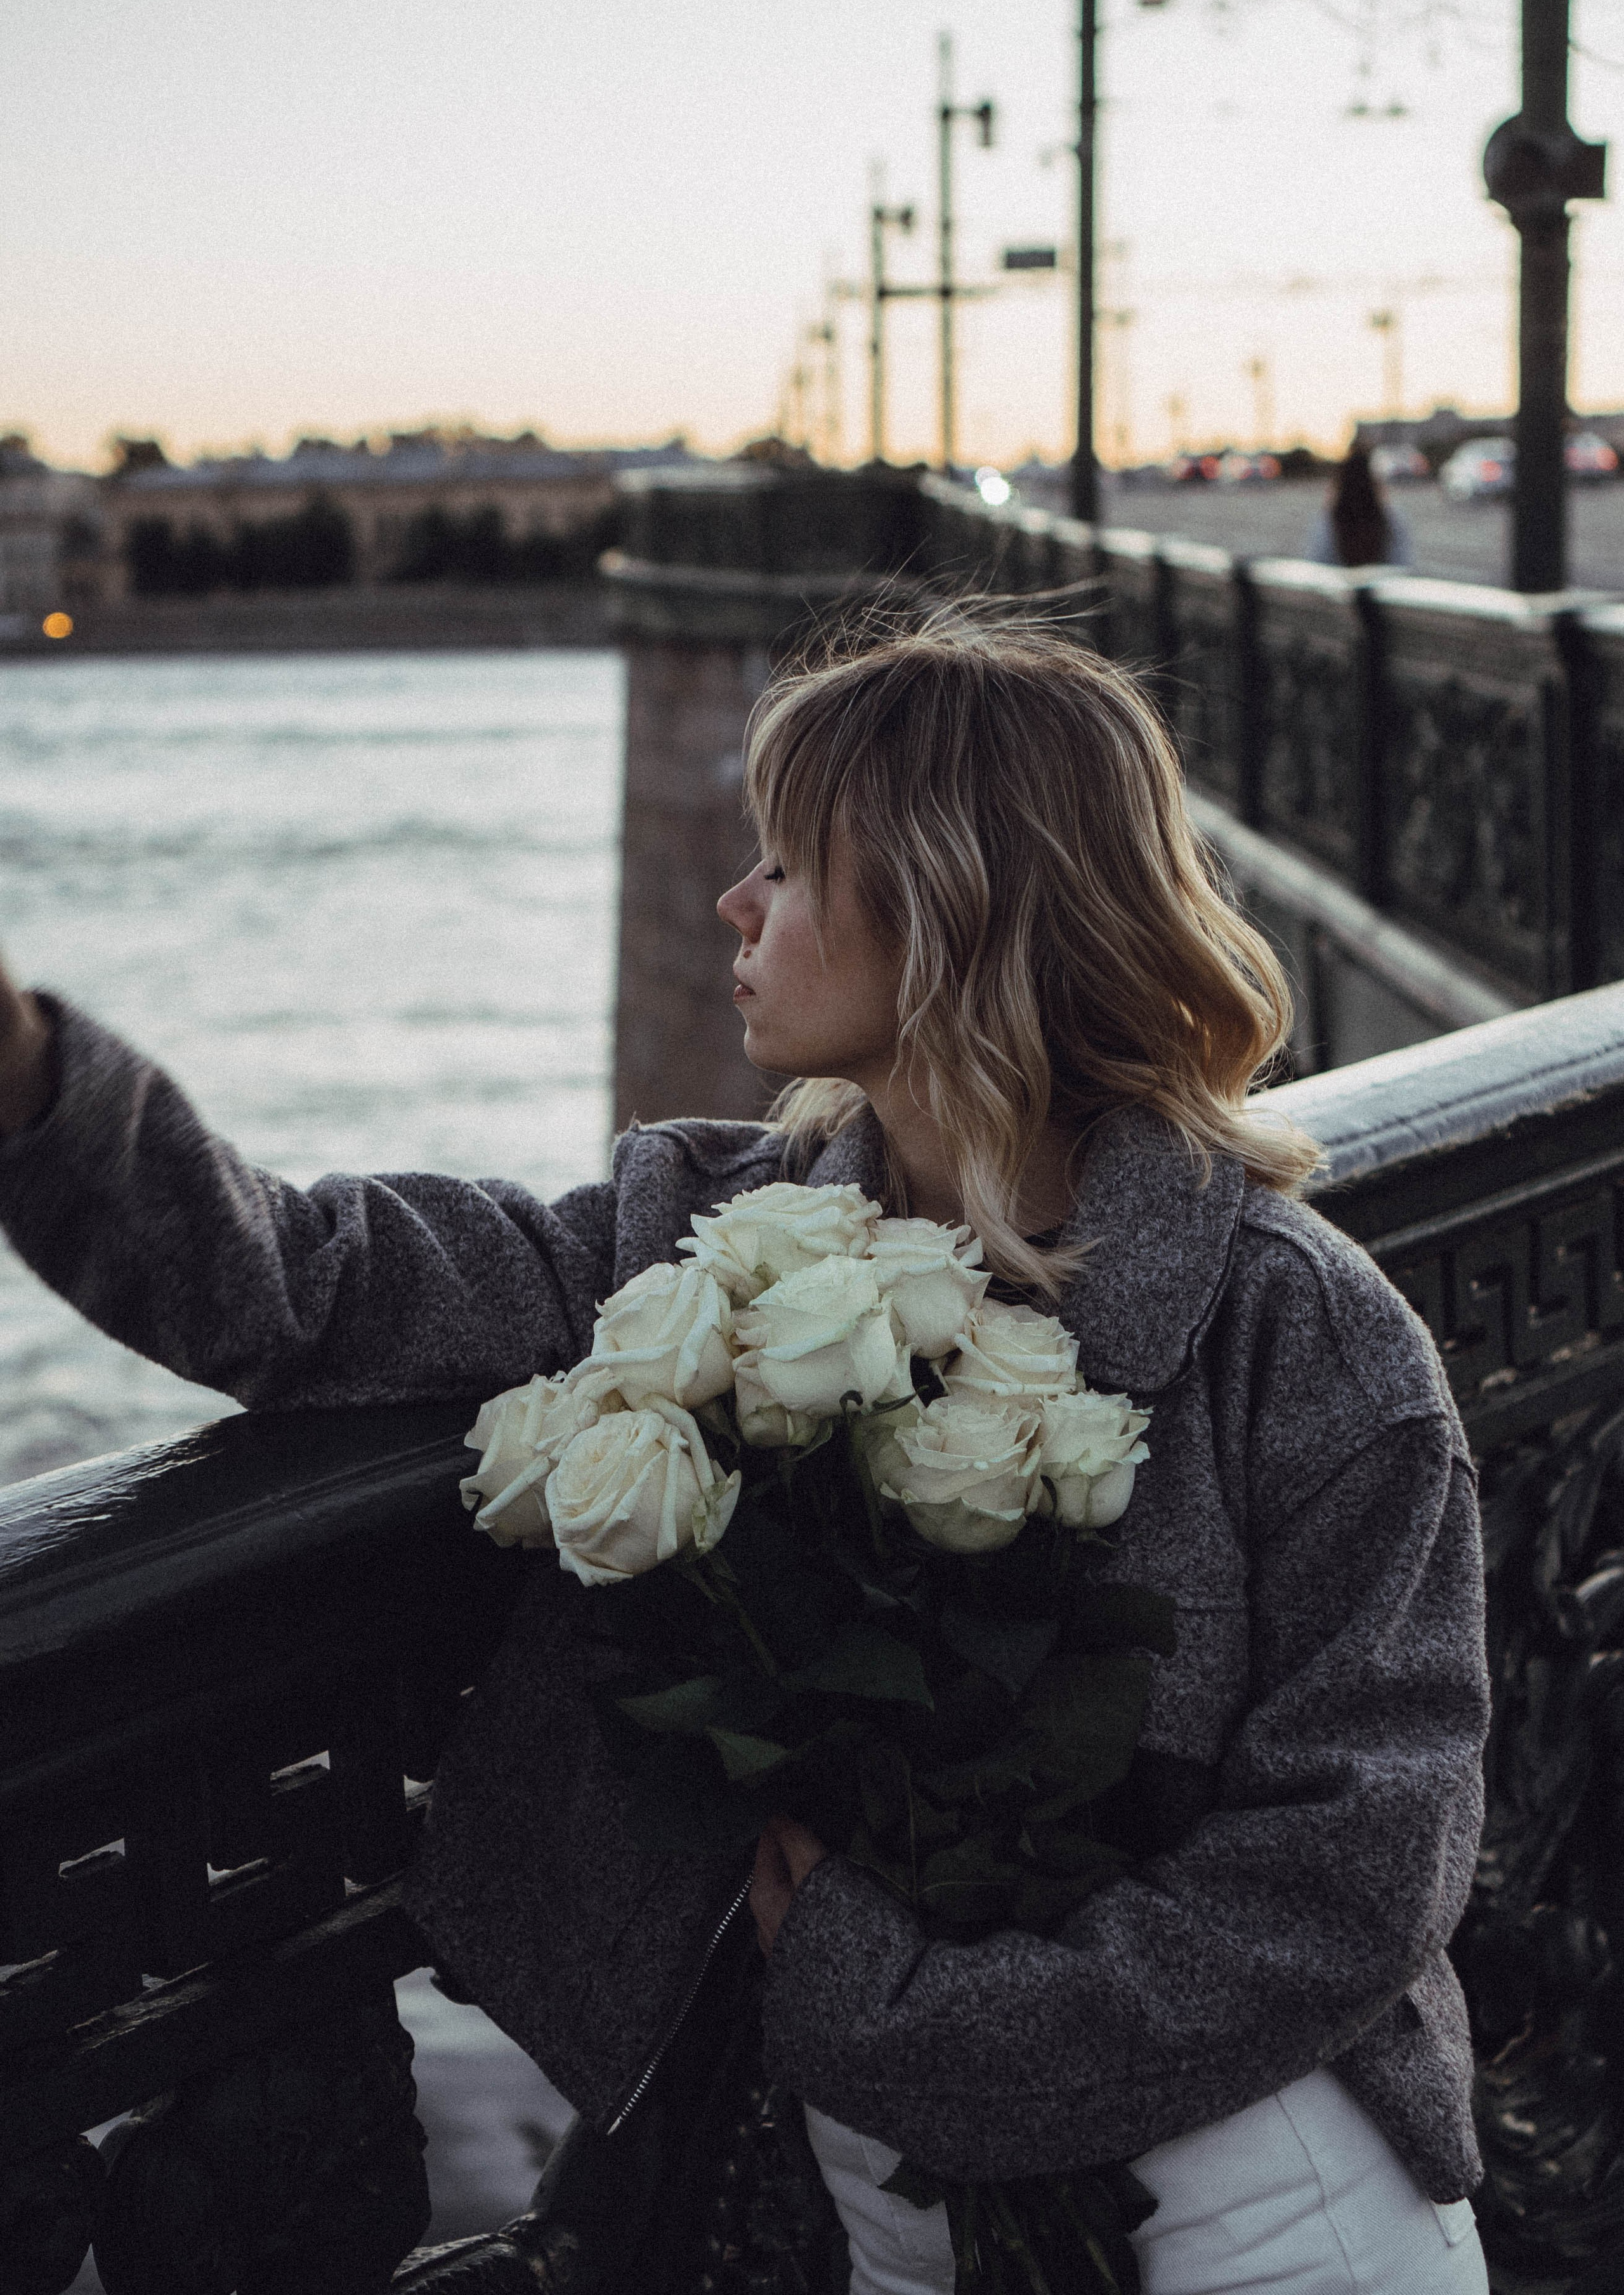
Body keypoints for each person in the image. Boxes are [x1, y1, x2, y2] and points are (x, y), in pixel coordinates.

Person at [0, 623, 1490, 2294]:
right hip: (889, 2217)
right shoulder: (694, 1236)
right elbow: (306, 1289)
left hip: (1260, 2207)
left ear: (948, 901)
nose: (734, 902)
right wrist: (32, 1082)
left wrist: (920, 2023)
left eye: (788, 862)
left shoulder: (1297, 1330)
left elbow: (1358, 1871)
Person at [1307, 442, 1415, 570]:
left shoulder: (1330, 518)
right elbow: (1402, 566)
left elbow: (1317, 564)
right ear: (1374, 482)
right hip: (1380, 584)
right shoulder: (1392, 517)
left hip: (1340, 585)